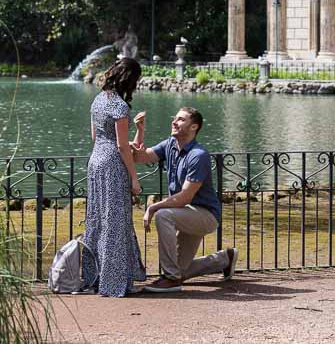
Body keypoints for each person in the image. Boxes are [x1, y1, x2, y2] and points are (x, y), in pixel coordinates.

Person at [132, 107, 238, 293]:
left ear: (194, 127)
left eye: (181, 120)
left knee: (163, 215)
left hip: (204, 215)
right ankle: (224, 259)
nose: (174, 122)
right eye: (175, 118)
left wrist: (153, 207)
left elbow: (185, 196)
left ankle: (171, 279)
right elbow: (138, 157)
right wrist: (140, 131)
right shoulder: (170, 145)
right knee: (181, 268)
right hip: (185, 212)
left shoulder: (198, 155)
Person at [82, 57, 146, 297]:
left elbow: (96, 138)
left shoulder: (98, 100)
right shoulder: (119, 106)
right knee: (115, 222)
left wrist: (127, 140)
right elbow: (121, 148)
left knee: (97, 220)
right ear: (130, 80)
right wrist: (134, 178)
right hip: (111, 166)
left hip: (95, 162)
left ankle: (94, 277)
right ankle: (114, 282)